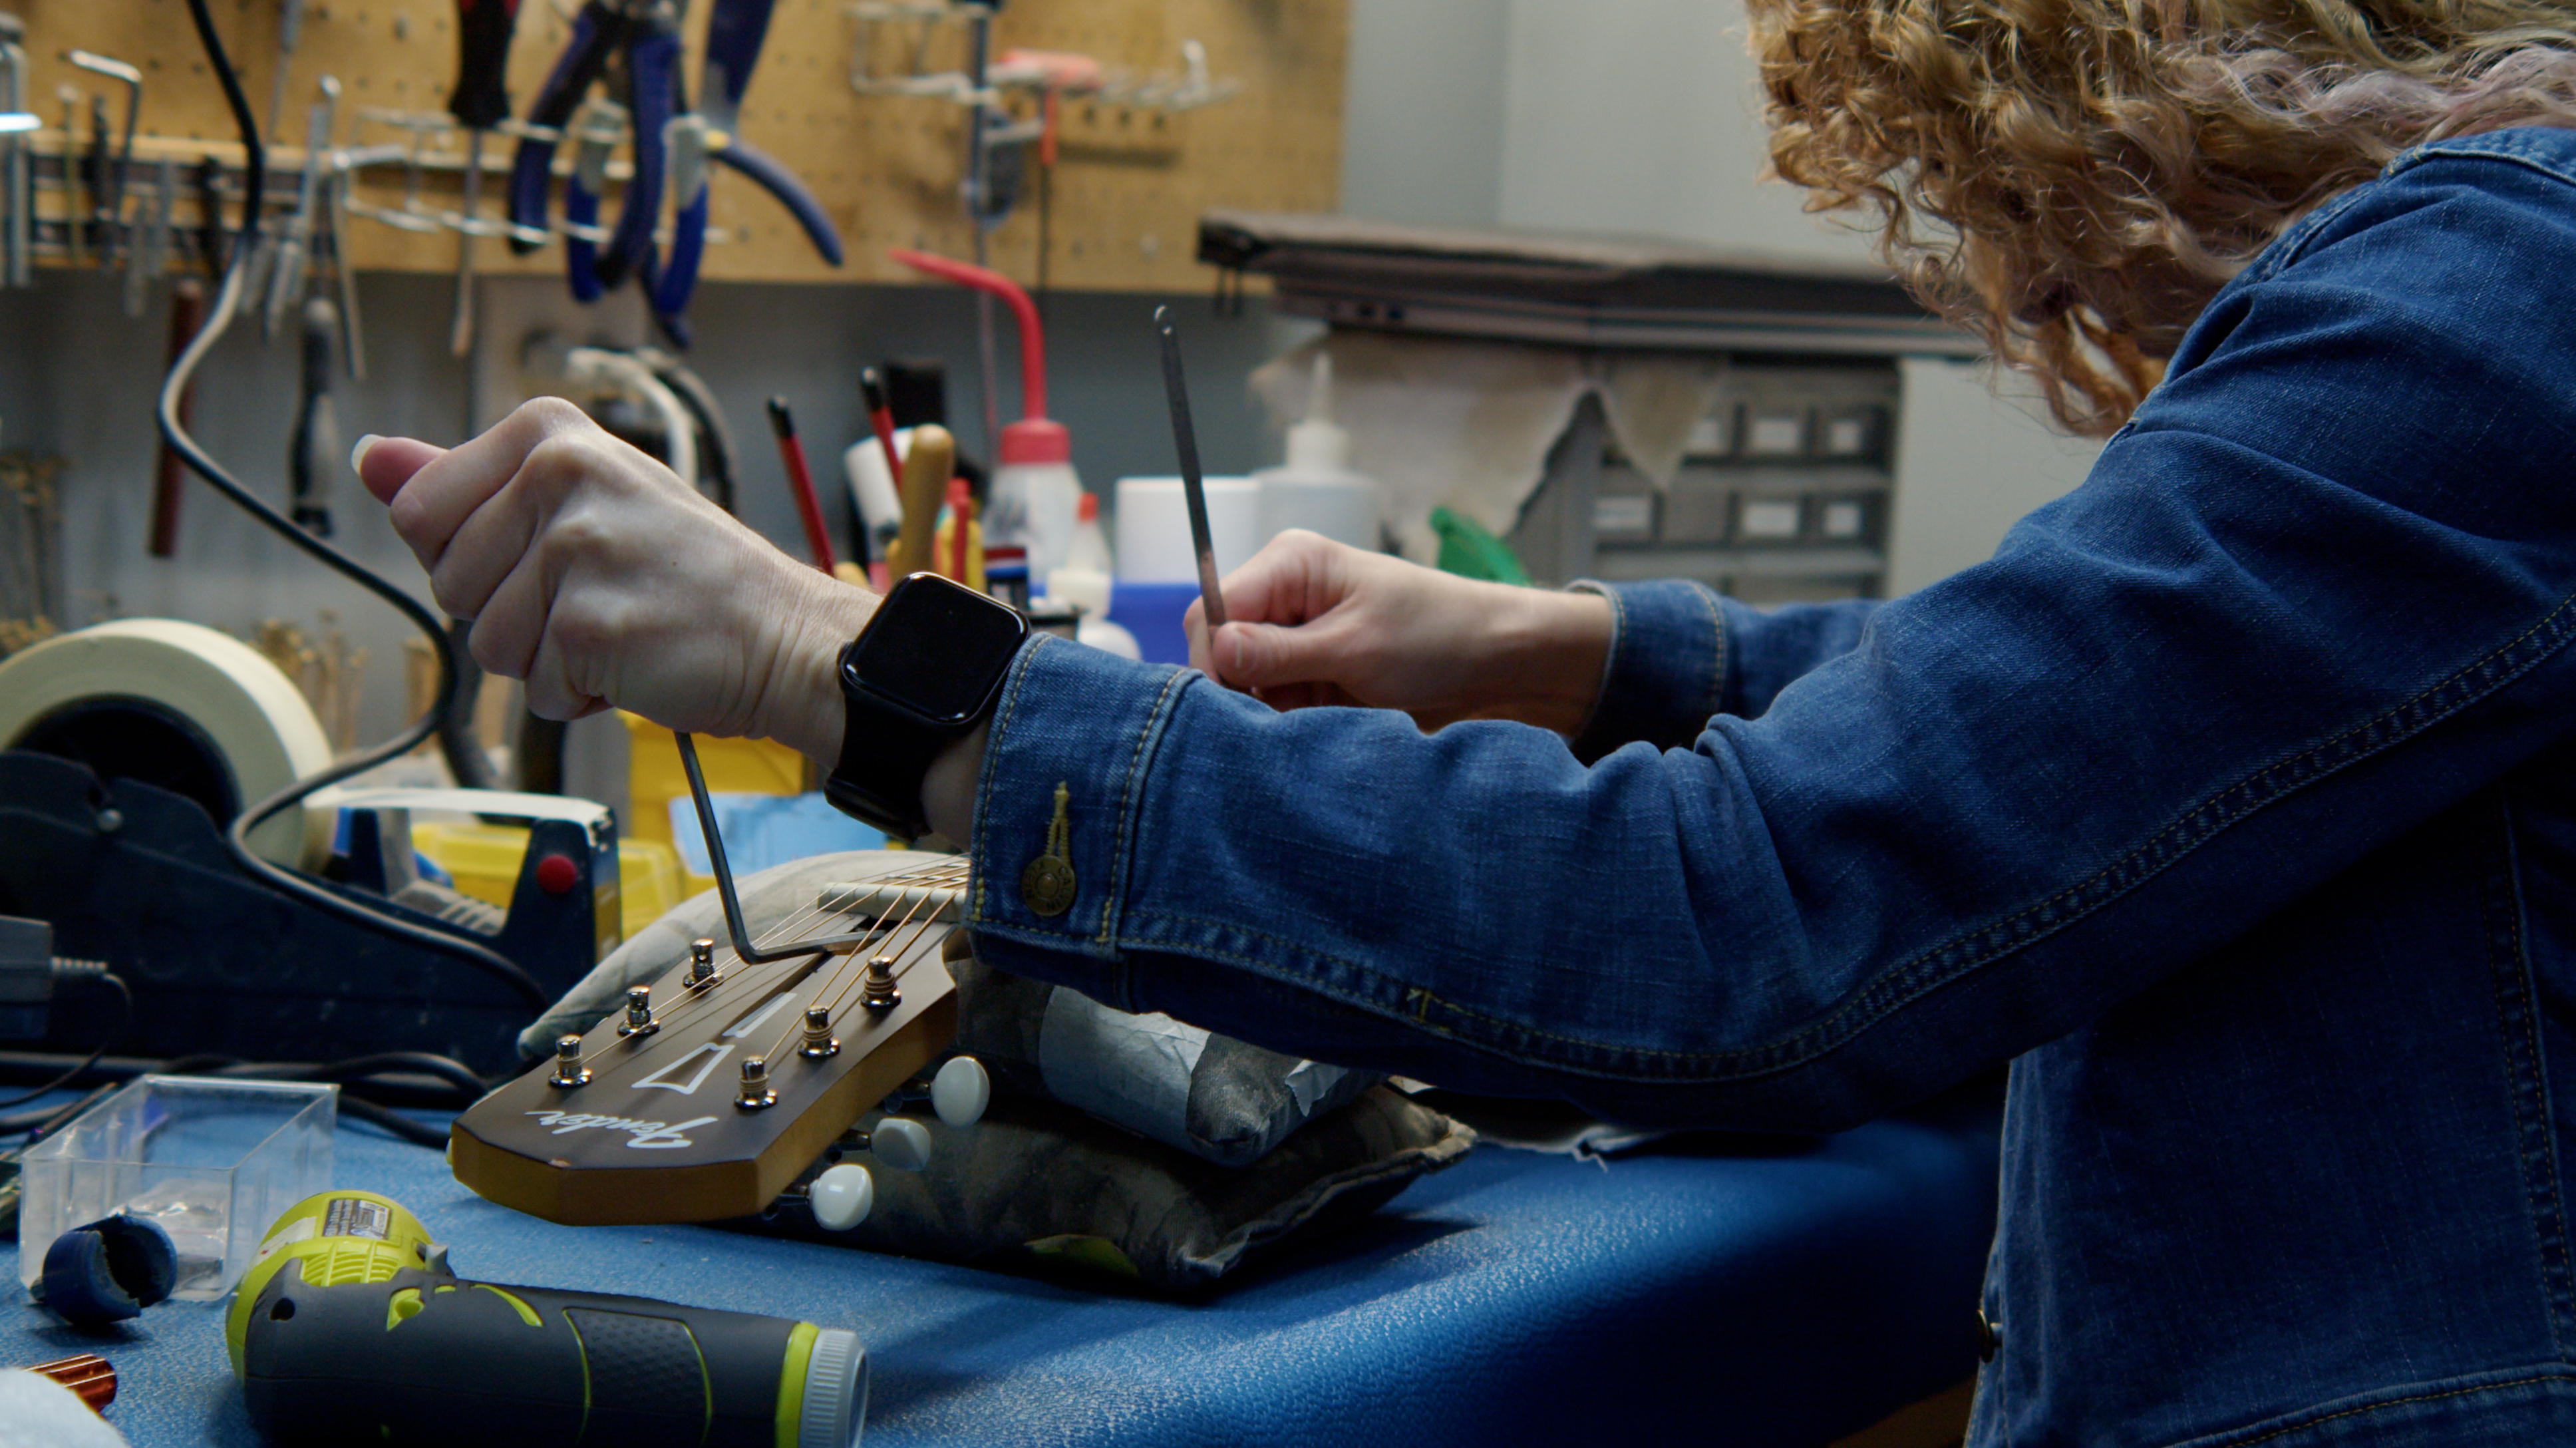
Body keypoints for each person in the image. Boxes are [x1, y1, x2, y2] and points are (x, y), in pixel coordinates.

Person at [355, 1, 2576, 1439]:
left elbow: (1759, 921)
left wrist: (845, 668)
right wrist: (1590, 657)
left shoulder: (2497, 291)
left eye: (2034, 220)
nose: (2056, 306)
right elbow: (2155, 738)